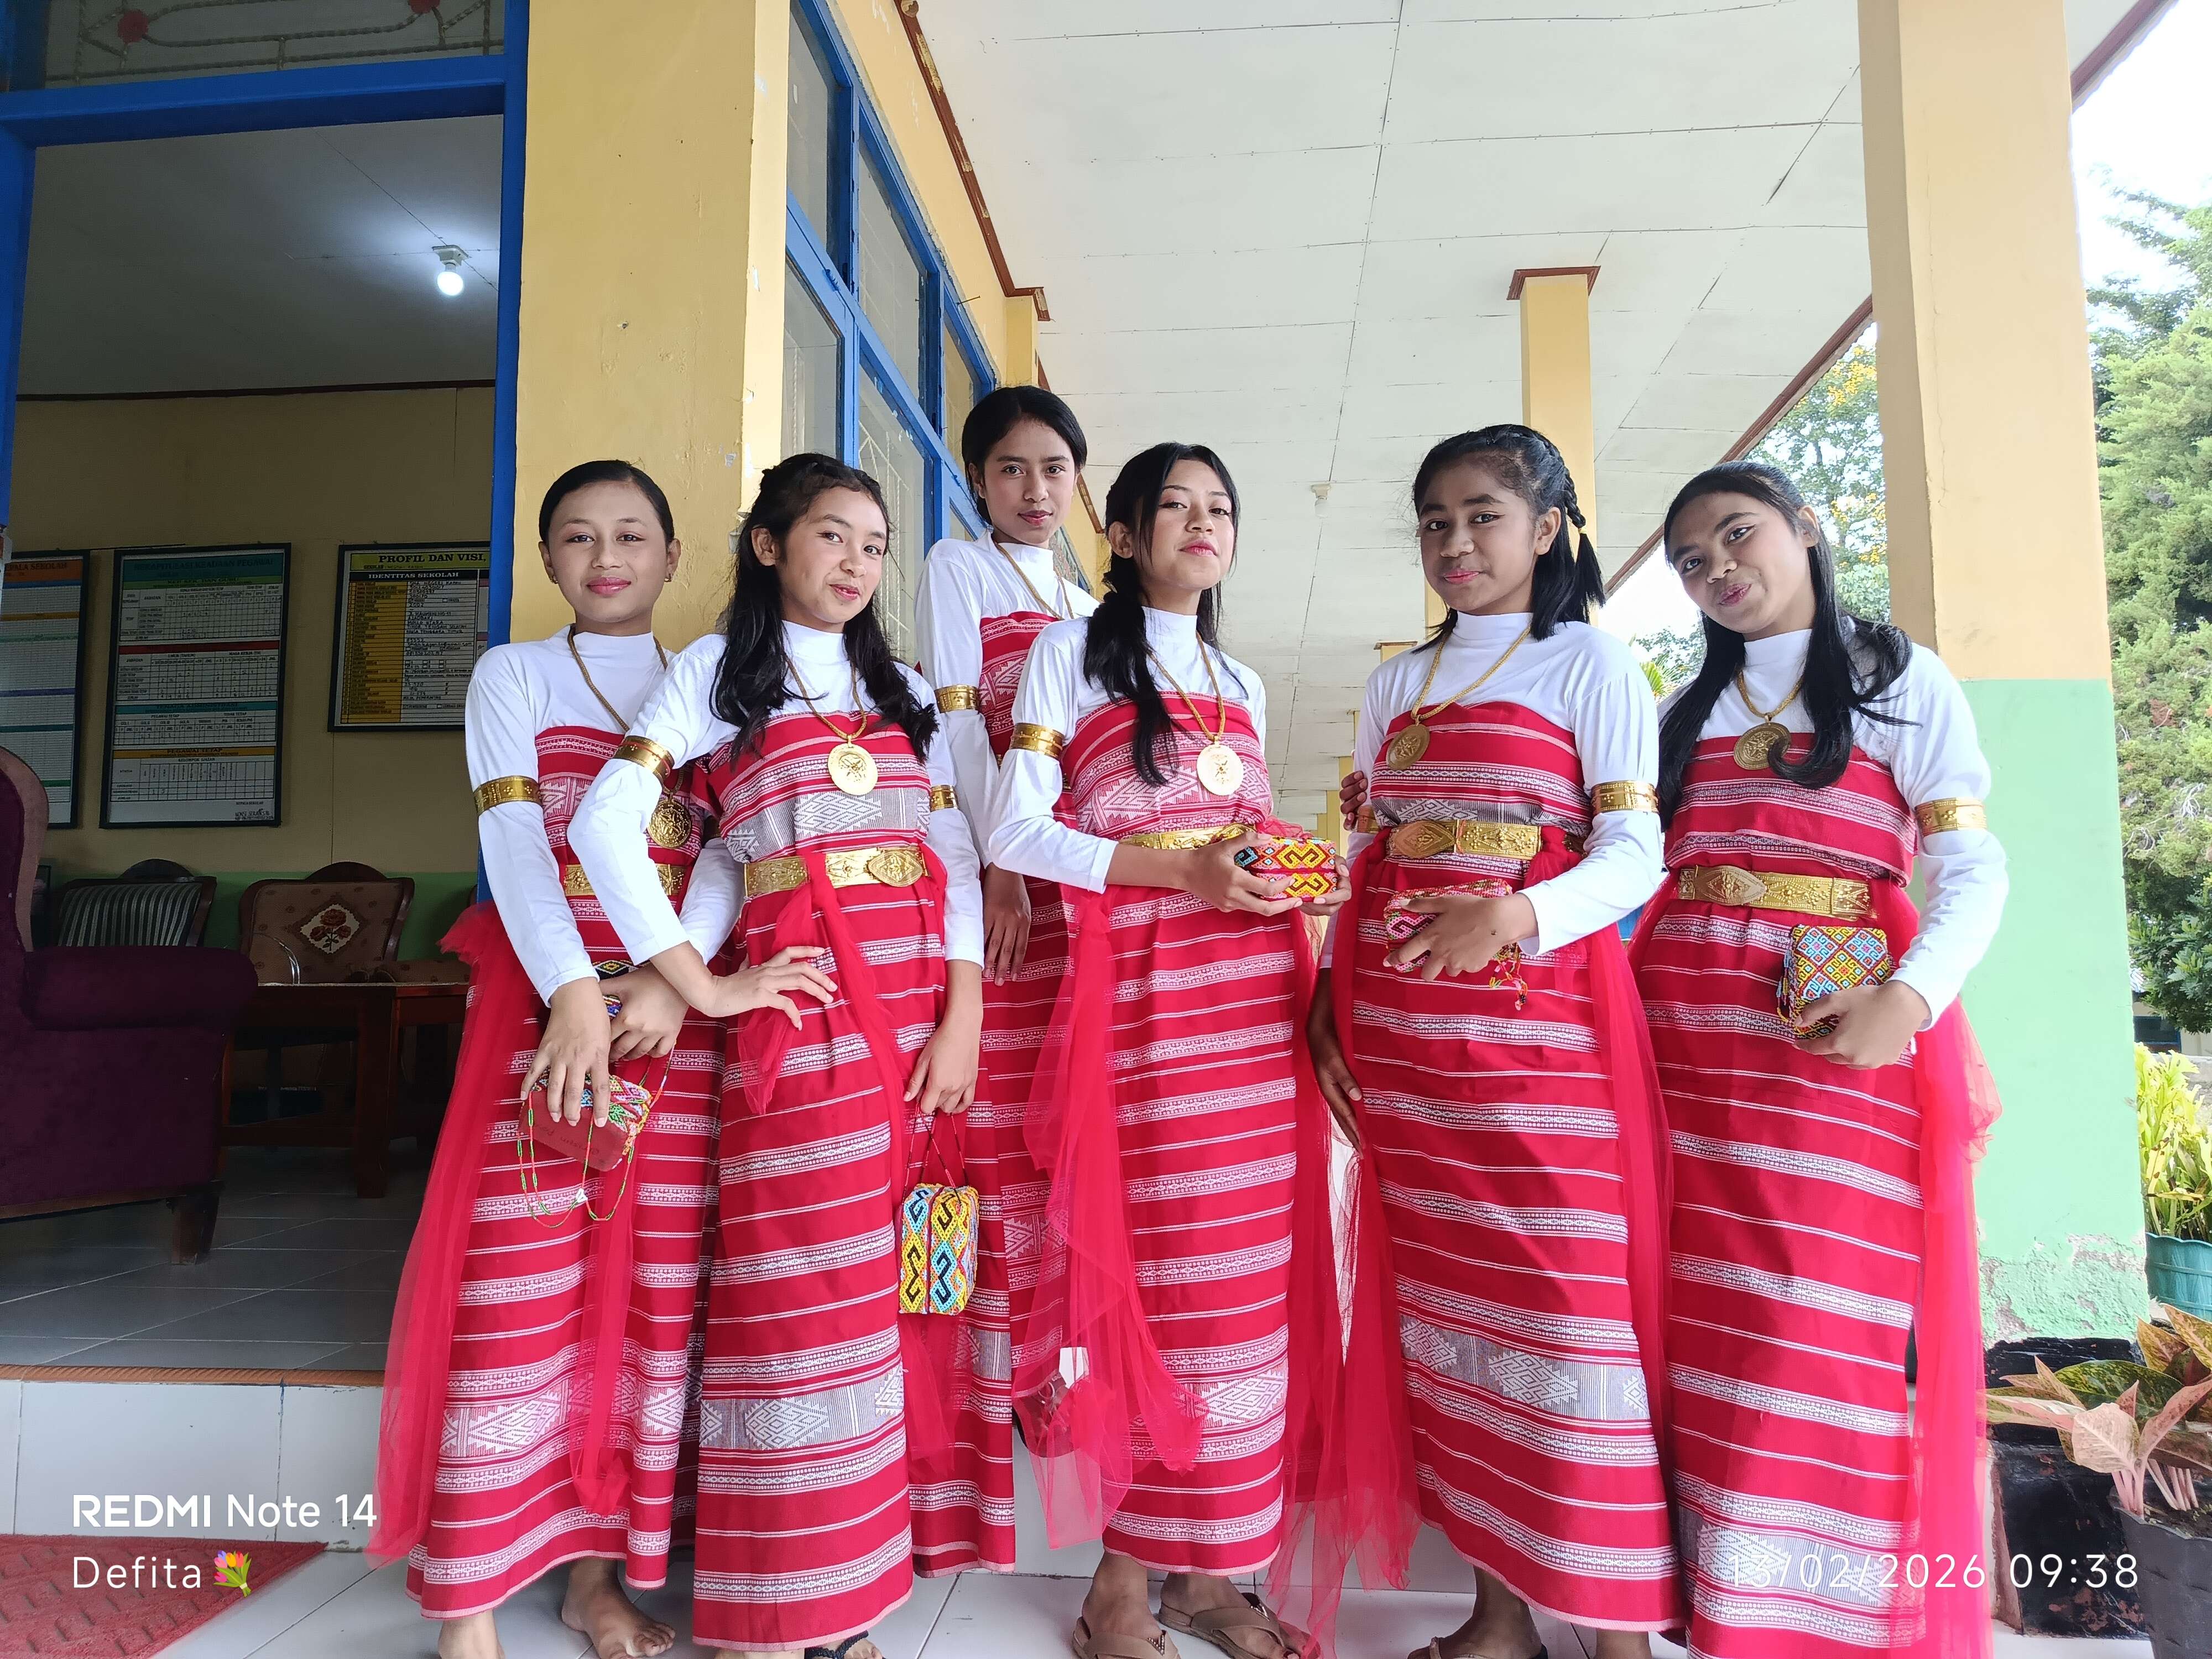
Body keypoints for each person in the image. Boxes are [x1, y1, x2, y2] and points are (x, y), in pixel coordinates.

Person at [567, 452, 990, 1659]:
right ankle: (767, 1620)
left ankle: (848, 1601)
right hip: (802, 1025)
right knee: (797, 1298)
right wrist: (700, 983)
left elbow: (954, 859)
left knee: (888, 1298)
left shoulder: (903, 689)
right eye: (830, 536)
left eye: (873, 545)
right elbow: (613, 823)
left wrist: (962, 1016)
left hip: (917, 1020)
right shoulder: (719, 673)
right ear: (768, 545)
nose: (855, 564)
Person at [1307, 426, 1680, 1659]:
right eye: (1434, 522)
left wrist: (1510, 916)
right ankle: (1498, 1617)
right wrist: (1329, 995)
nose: (1454, 542)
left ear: (1546, 528)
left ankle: (1619, 1633)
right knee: (1445, 1323)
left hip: (1535, 1039)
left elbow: (1634, 853)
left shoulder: (1591, 664)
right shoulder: (1395, 684)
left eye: (1481, 516)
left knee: (1569, 1320)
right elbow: (1370, 856)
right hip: (1405, 1046)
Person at [1634, 460, 2006, 1659]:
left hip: (1833, 1035)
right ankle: (1710, 1605)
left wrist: (1911, 995)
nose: (1717, 571)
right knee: (1695, 1316)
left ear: (1805, 527)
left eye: (1736, 536)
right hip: (1678, 1036)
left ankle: (1809, 1619)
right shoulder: (1679, 711)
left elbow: (1971, 867)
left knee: (1813, 1313)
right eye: (1690, 562)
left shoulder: (1902, 681)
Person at [374, 460, 742, 1659]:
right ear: (547, 560)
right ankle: (469, 1601)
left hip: (671, 1022)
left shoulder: (715, 683)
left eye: (632, 535)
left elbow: (733, 851)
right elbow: (514, 839)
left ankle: (596, 1579)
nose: (607, 558)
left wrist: (675, 980)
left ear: (673, 556)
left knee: (649, 1302)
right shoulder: (515, 674)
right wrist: (573, 994)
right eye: (579, 537)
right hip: (546, 1013)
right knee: (517, 1288)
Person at [987, 442, 1342, 1659]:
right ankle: (1121, 1580)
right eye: (1174, 507)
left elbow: (1243, 834)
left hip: (1254, 997)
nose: (1202, 524)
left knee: (1241, 1281)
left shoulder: (1241, 677)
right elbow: (1017, 830)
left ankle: (1209, 1572)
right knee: (1150, 1270)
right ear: (1126, 534)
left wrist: (1292, 881)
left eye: (1220, 509)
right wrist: (1177, 872)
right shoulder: (1068, 655)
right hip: (1138, 998)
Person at [911, 384, 1099, 1563]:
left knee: (1060, 1146)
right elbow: (955, 731)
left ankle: (1057, 1383)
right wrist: (999, 870)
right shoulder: (957, 568)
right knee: (980, 1143)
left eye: (1054, 469)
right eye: (1011, 469)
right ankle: (971, 1405)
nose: (1034, 490)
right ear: (978, 482)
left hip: (1074, 897)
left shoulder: (1088, 607)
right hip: (1000, 889)